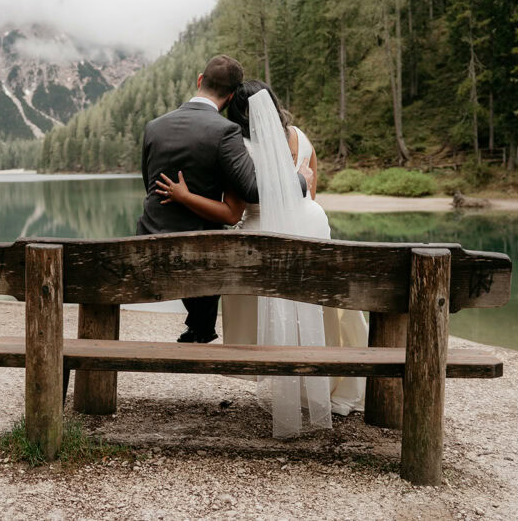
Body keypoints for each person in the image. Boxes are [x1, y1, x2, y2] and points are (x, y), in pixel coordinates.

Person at [154, 80, 369, 428]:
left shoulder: (239, 148)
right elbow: (310, 194)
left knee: (267, 290)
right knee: (322, 306)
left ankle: (290, 378)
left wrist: (184, 196)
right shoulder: (301, 137)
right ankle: (336, 387)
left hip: (263, 236)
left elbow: (233, 213)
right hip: (313, 225)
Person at [136, 57, 310, 344]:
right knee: (217, 244)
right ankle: (202, 328)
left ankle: (200, 327)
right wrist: (302, 180)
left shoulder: (154, 126)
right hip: (200, 249)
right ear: (230, 96)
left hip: (148, 238)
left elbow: (149, 184)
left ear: (200, 79)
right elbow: (253, 190)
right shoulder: (224, 131)